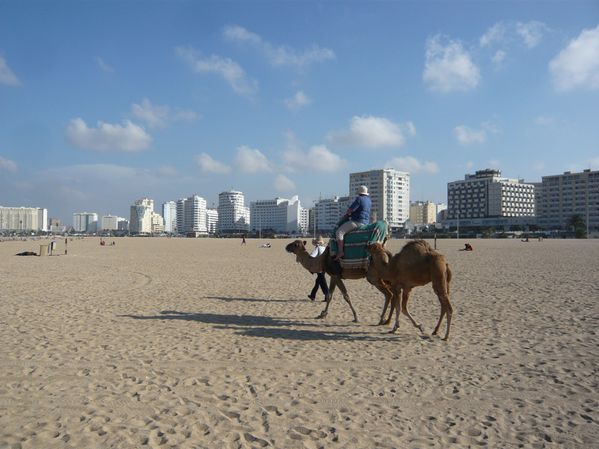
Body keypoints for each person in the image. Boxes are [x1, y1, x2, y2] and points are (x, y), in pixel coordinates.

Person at [335, 185, 372, 260]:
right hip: (366, 222)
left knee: (339, 232)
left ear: (359, 193)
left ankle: (340, 251)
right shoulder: (369, 200)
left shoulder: (359, 199)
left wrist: (347, 214)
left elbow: (350, 210)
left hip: (357, 222)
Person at [308, 236, 329, 301]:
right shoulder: (324, 248)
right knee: (318, 281)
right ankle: (312, 295)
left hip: (319, 267)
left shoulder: (318, 248)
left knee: (322, 282)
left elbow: (312, 255)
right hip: (324, 266)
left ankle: (327, 296)